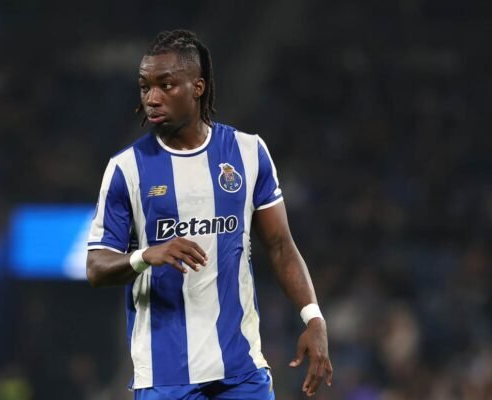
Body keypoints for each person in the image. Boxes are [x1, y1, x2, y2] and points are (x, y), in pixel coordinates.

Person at [86, 29, 333, 399]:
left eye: (165, 85)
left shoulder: (248, 152)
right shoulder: (127, 169)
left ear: (197, 87)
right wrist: (145, 255)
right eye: (144, 87)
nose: (152, 98)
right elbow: (96, 267)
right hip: (165, 377)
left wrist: (313, 318)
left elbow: (281, 246)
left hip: (241, 371)